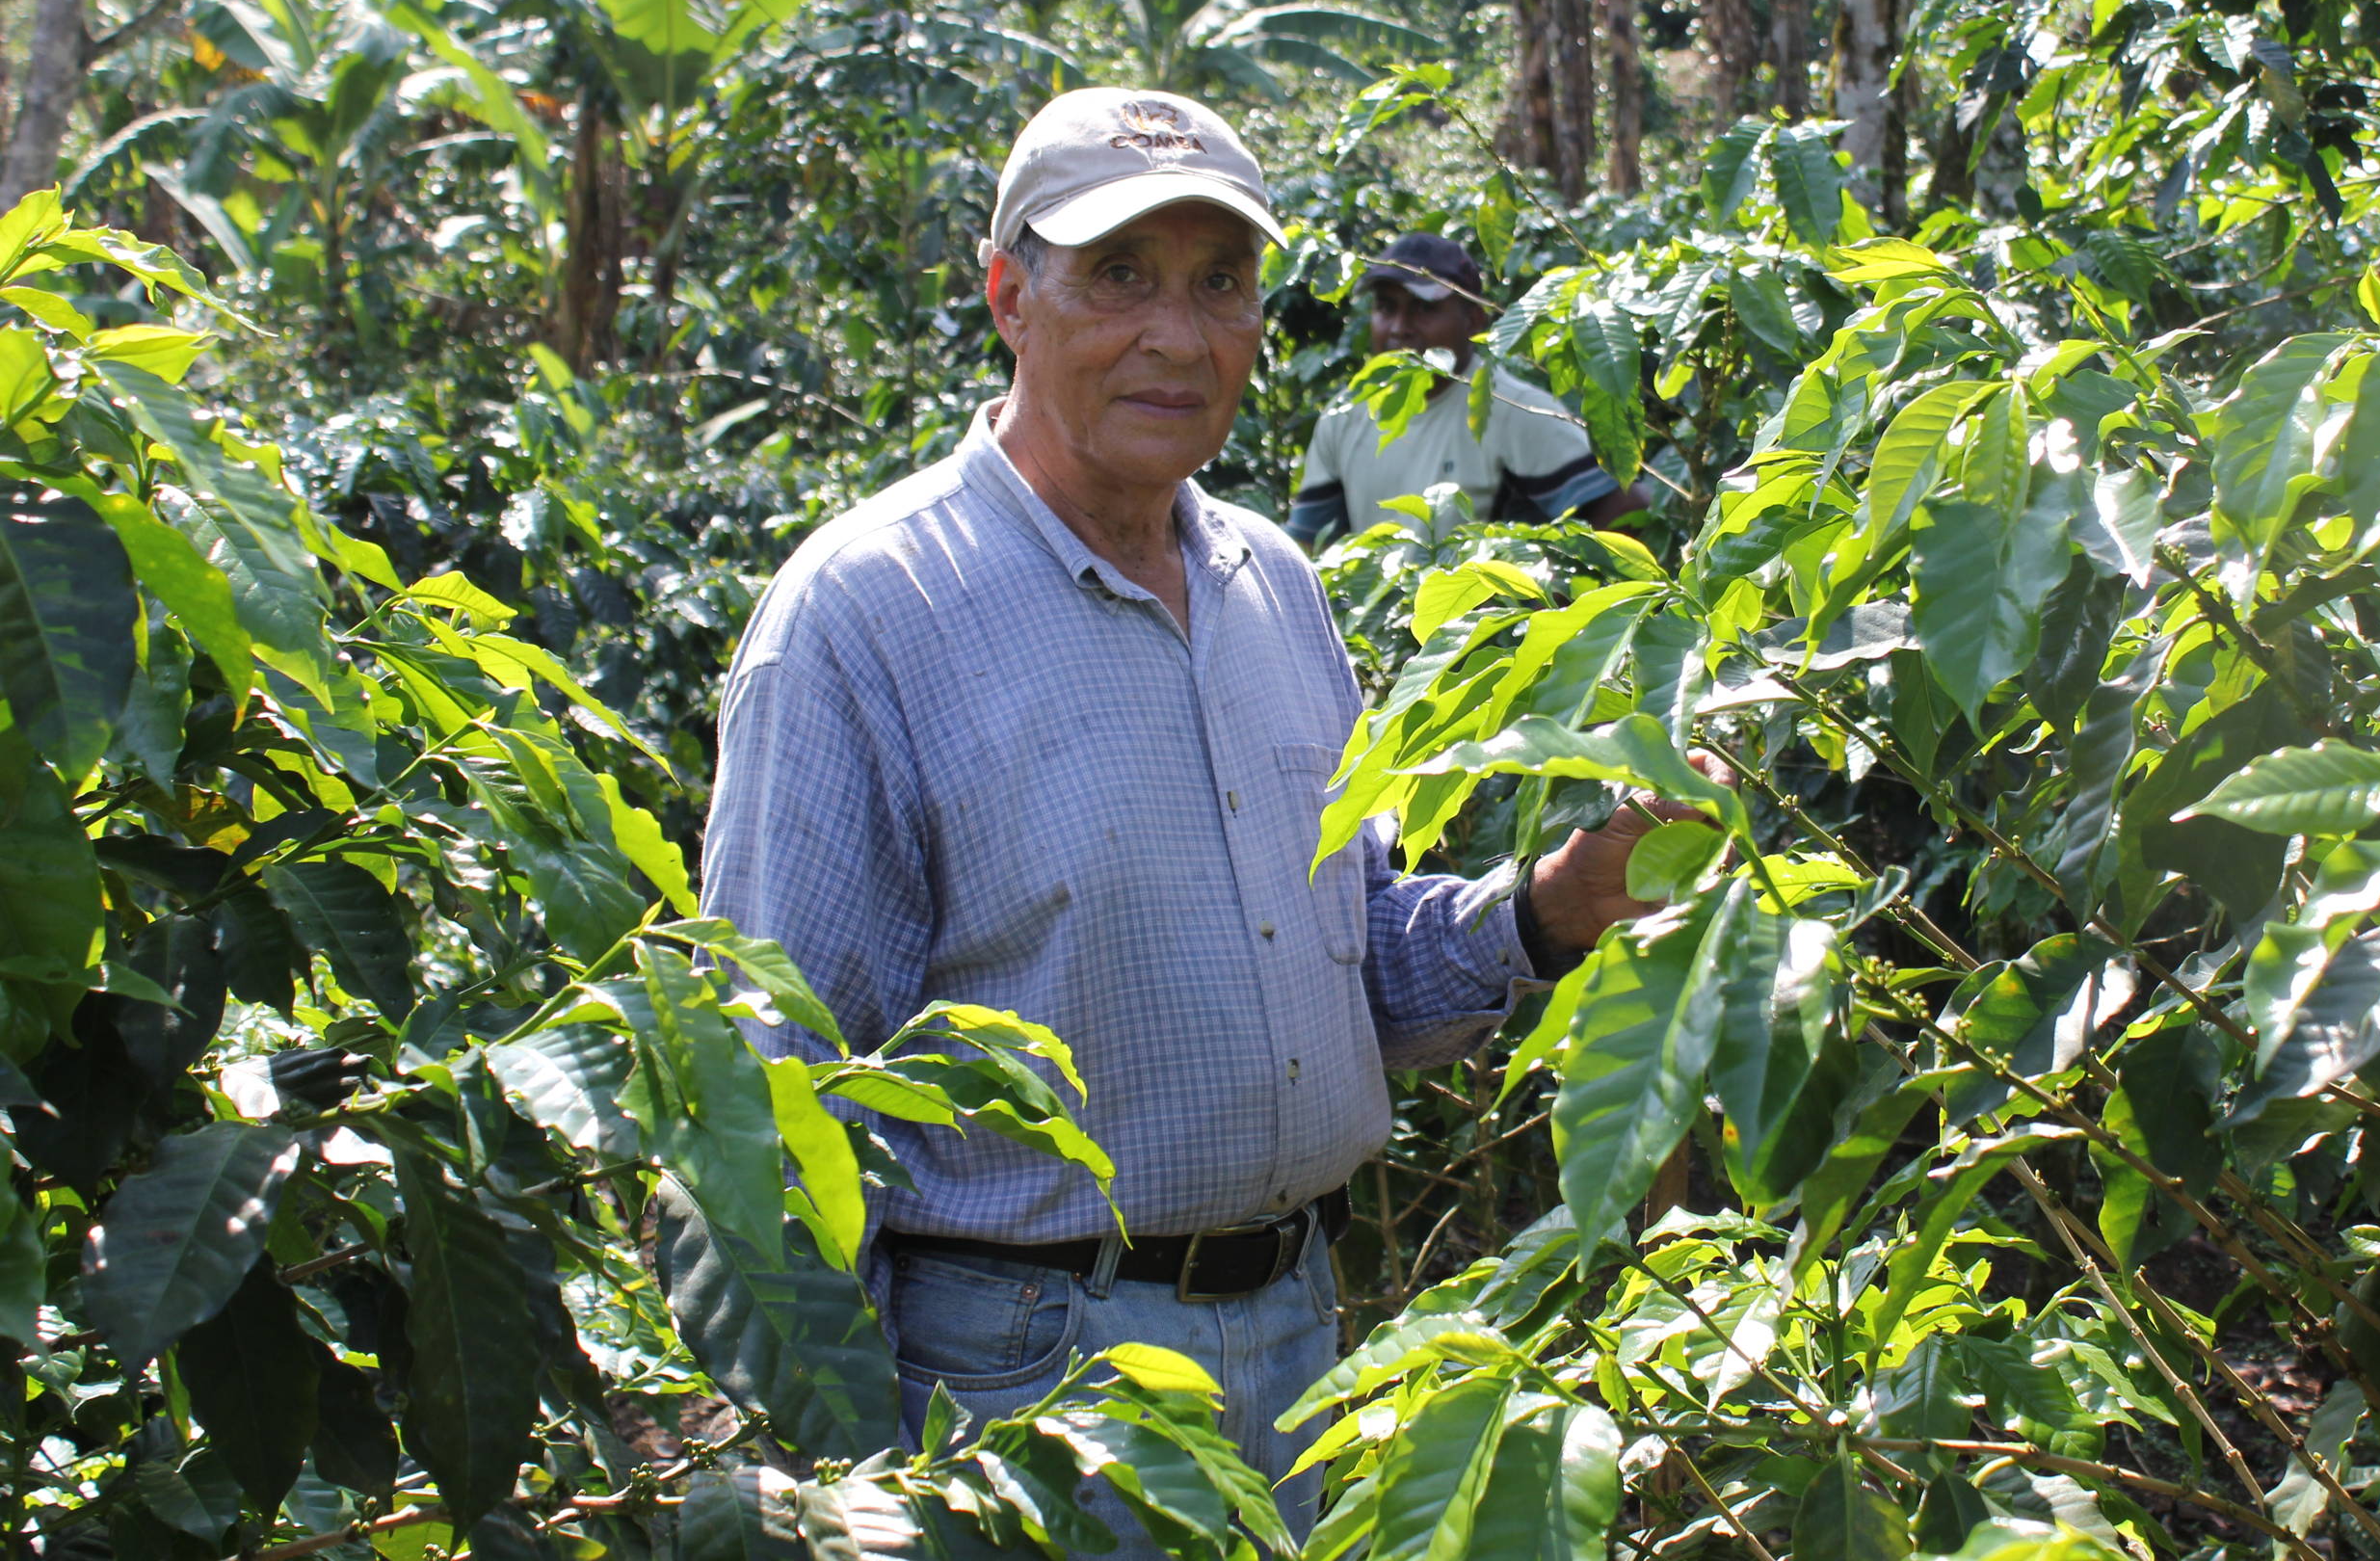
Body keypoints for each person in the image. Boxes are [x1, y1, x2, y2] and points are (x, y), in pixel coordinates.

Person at [700, 89, 1698, 1549]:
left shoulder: (1273, 584)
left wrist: (1552, 904)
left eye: (1220, 283)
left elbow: (1347, 956)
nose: (1179, 334)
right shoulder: (866, 616)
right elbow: (769, 1103)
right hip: (1017, 1380)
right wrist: (847, 1496)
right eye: (1120, 277)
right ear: (1009, 299)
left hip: (1301, 1343)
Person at [1284, 232, 1650, 548]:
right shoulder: (1344, 414)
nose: (1399, 328)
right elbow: (1310, 539)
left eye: (1423, 309)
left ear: (1473, 320)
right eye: (1386, 307)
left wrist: (1553, 608)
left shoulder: (1511, 408)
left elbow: (1625, 504)